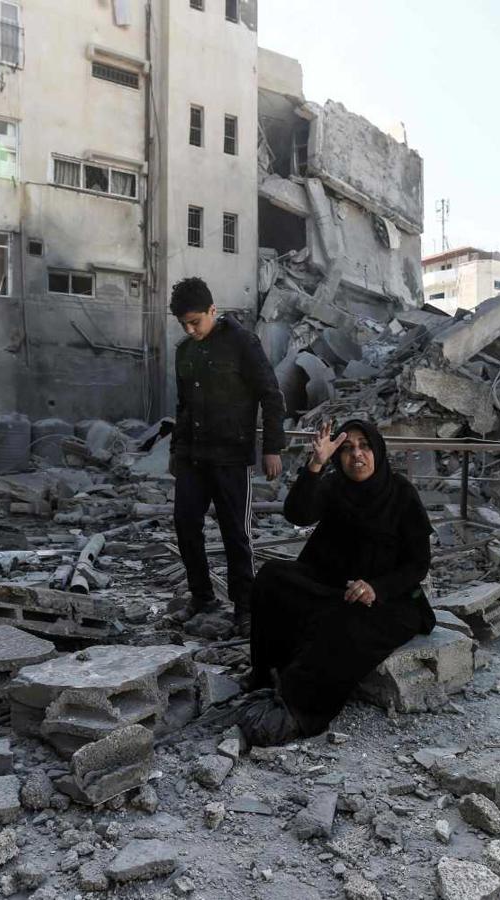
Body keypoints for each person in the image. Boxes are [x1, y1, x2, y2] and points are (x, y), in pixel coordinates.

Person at [238, 419, 436, 747]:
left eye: (364, 446)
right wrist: (315, 464)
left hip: (390, 597)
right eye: (346, 449)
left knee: (347, 621)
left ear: (378, 450)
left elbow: (418, 564)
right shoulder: (334, 485)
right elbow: (297, 514)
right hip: (333, 582)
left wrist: (377, 588)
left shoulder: (401, 493)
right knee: (273, 577)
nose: (356, 455)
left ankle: (299, 708)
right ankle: (264, 672)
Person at [169, 276, 286, 636]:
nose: (191, 330)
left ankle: (245, 608)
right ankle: (202, 597)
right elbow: (184, 407)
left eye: (196, 322)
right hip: (192, 457)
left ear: (212, 311)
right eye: (184, 325)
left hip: (231, 457)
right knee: (186, 526)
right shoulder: (184, 352)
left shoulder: (242, 343)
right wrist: (176, 453)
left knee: (236, 533)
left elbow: (271, 395)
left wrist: (271, 448)